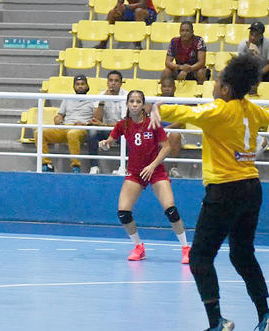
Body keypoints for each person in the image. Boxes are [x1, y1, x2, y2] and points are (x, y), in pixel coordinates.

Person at [148, 54, 269, 331]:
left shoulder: (219, 110)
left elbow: (185, 110)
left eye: (217, 80)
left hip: (223, 191)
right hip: (251, 189)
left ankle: (216, 321)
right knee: (242, 254)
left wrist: (158, 106)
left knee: (200, 258)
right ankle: (264, 314)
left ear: (225, 88)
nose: (214, 84)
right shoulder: (252, 110)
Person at [98, 90, 191, 264]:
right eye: (131, 101)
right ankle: (139, 247)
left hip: (155, 170)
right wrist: (105, 144)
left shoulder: (153, 123)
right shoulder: (123, 124)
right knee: (123, 213)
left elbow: (166, 148)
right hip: (135, 172)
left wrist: (152, 166)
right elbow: (110, 142)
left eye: (138, 101)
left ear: (142, 105)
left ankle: (186, 248)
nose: (134, 104)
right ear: (127, 104)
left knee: (170, 209)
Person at [35, 75, 95, 173]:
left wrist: (85, 124)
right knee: (40, 132)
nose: (80, 86)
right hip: (66, 126)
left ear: (87, 86)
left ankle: (76, 167)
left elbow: (96, 119)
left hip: (82, 129)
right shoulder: (68, 98)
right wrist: (58, 119)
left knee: (72, 133)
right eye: (77, 84)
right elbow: (59, 115)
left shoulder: (93, 99)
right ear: (74, 87)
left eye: (82, 84)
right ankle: (46, 164)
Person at [87, 71, 128, 174]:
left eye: (116, 81)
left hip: (121, 131)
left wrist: (103, 125)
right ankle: (94, 167)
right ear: (107, 82)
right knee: (91, 132)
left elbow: (126, 123)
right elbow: (96, 119)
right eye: (111, 80)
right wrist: (102, 101)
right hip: (105, 130)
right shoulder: (102, 95)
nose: (113, 83)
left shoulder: (127, 96)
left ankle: (124, 167)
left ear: (121, 83)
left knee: (128, 136)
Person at [237, 21, 269, 86]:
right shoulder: (243, 45)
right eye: (251, 34)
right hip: (251, 71)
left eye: (256, 35)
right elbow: (241, 64)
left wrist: (259, 73)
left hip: (266, 70)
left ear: (261, 36)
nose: (252, 37)